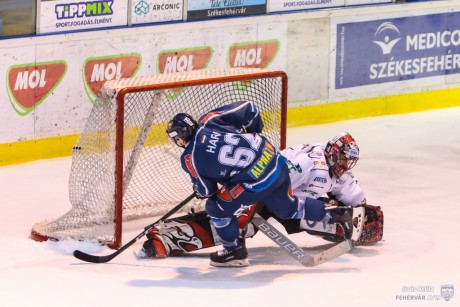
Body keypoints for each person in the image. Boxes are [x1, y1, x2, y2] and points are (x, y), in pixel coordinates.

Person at [137, 108, 380, 264]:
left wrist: (227, 183)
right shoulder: (210, 119)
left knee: (221, 210)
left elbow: (206, 192)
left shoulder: (190, 157)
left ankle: (233, 252)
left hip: (258, 184)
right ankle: (331, 214)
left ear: (180, 137)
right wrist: (253, 139)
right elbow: (250, 111)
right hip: (274, 162)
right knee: (290, 209)